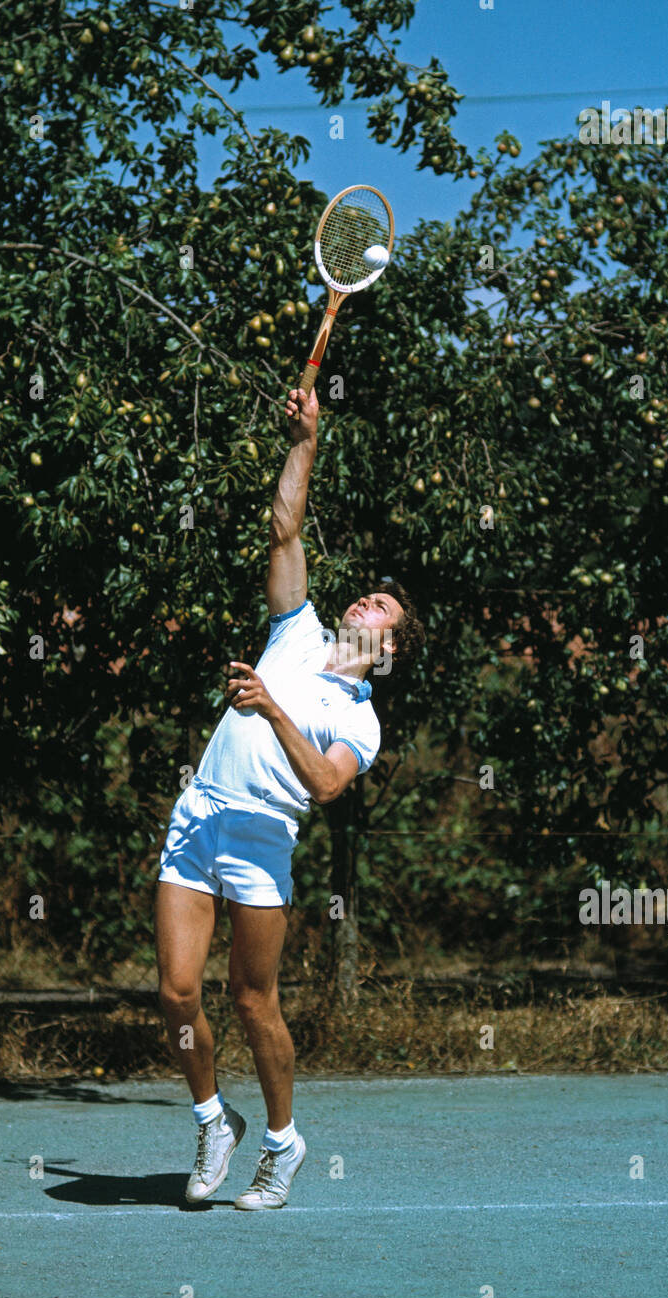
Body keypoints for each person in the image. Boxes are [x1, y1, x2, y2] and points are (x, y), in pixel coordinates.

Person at [155, 385, 425, 1210]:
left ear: (385, 647)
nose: (359, 600)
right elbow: (285, 528)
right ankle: (212, 1121)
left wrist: (270, 708)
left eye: (376, 606)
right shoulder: (296, 630)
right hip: (198, 816)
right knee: (174, 992)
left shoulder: (361, 719)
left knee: (250, 999)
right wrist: (306, 439)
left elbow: (325, 785)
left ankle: (282, 1142)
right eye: (363, 594)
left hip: (262, 838)